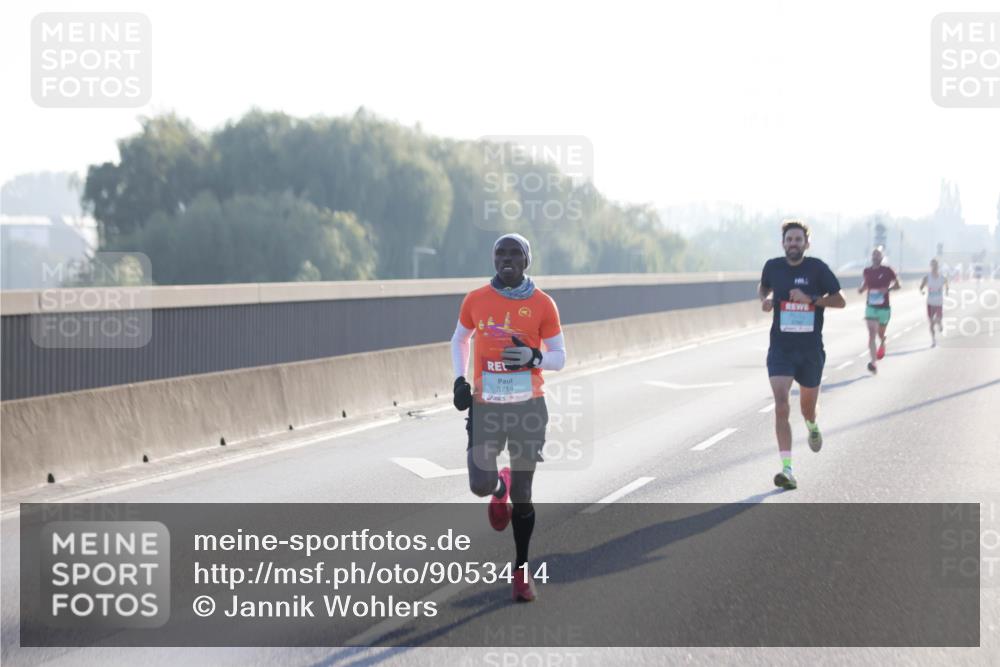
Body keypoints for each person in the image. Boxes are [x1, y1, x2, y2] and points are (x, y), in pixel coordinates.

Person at [450, 233, 566, 602]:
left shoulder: (543, 304)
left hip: (527, 407)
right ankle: (497, 488)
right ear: (493, 259)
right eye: (501, 253)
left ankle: (520, 569)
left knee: (525, 494)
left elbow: (560, 356)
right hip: (486, 405)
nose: (507, 259)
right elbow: (460, 339)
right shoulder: (476, 300)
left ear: (527, 261)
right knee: (479, 485)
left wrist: (534, 358)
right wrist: (459, 380)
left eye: (515, 254)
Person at [758, 220, 846, 490]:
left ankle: (812, 425)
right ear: (783, 243)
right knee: (782, 404)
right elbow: (763, 287)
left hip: (810, 351)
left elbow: (840, 300)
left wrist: (812, 300)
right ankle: (788, 469)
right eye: (789, 240)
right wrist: (766, 299)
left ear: (807, 244)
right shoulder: (773, 266)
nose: (793, 244)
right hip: (781, 348)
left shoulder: (817, 269)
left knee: (807, 408)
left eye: (798, 240)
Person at [858, 247, 900, 374]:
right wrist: (862, 289)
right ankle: (873, 363)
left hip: (884, 308)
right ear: (871, 257)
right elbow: (866, 283)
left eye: (878, 255)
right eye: (874, 255)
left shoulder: (888, 271)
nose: (875, 257)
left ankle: (882, 341)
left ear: (882, 257)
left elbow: (898, 285)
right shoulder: (867, 271)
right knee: (871, 334)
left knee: (880, 334)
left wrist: (888, 289)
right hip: (870, 307)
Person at [919, 258, 949, 347]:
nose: (934, 267)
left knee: (937, 320)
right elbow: (921, 286)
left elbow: (947, 284)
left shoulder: (942, 277)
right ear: (931, 266)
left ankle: (939, 323)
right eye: (933, 265)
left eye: (936, 265)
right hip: (930, 303)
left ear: (938, 266)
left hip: (939, 302)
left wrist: (947, 290)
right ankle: (933, 340)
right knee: (931, 323)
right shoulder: (927, 277)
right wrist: (922, 291)